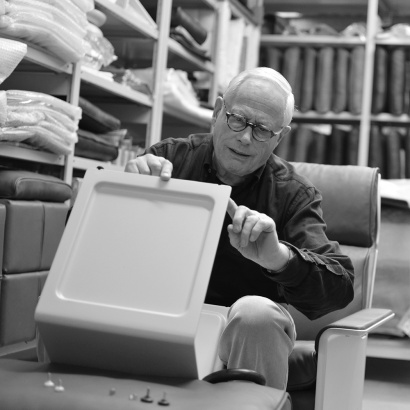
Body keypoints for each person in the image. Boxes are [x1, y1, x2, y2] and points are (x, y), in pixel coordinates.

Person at [125, 67, 354, 390]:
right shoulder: (167, 162)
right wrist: (123, 193)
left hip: (245, 337)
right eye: (238, 120)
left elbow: (339, 287)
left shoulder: (293, 195)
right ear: (217, 112)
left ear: (281, 137)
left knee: (255, 312)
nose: (245, 137)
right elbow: (103, 251)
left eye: (262, 130)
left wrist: (278, 258)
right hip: (162, 316)